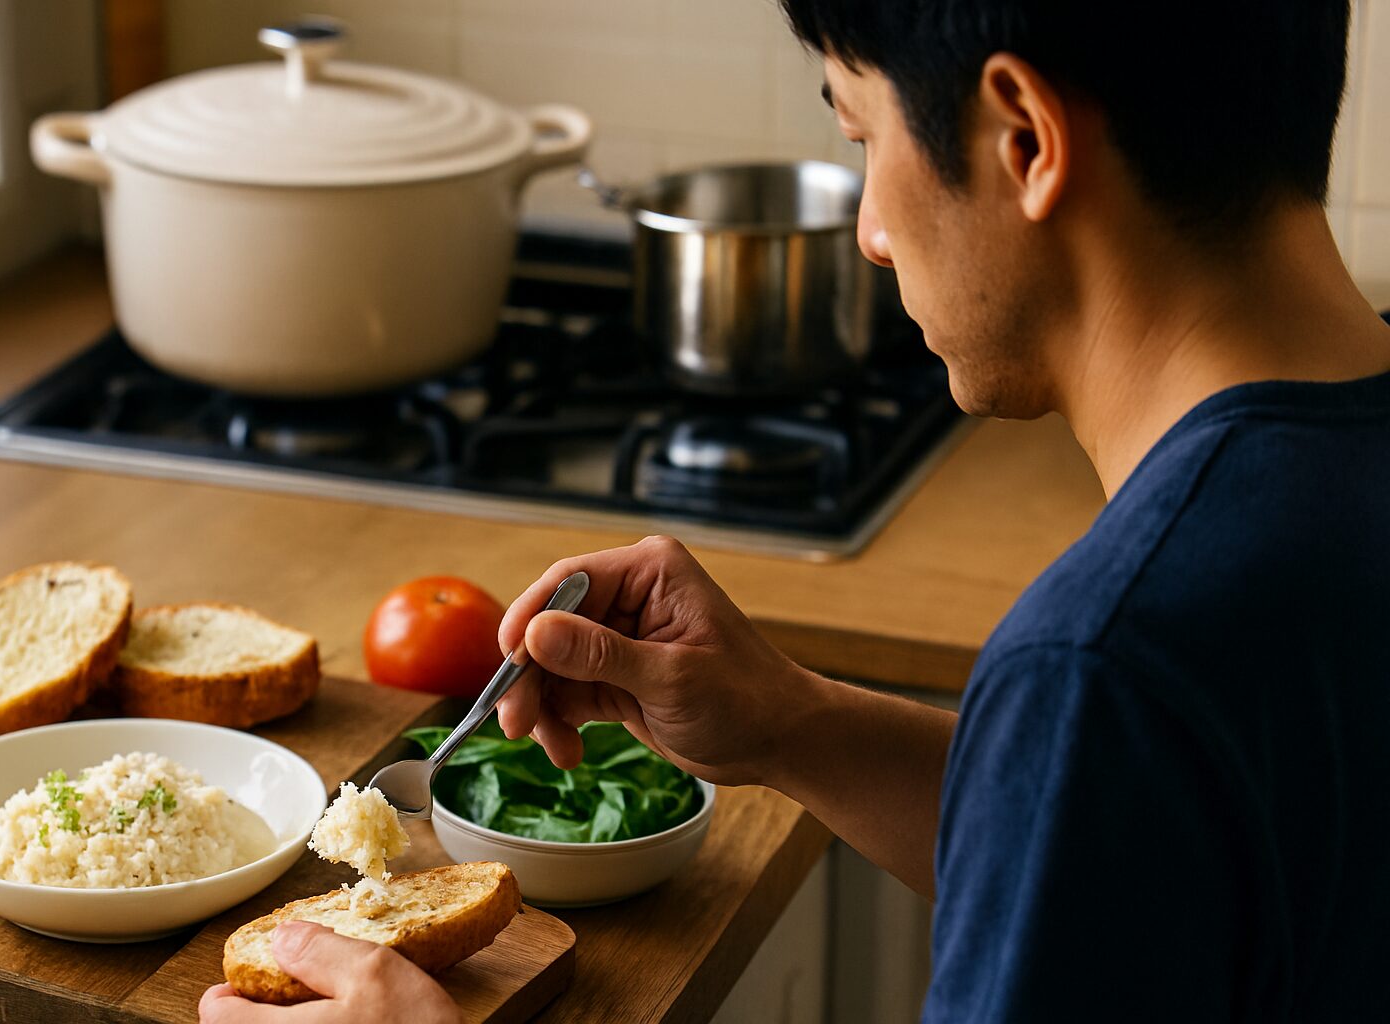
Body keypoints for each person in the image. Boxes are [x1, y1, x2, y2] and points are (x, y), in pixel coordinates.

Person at [202, 1, 1390, 1020]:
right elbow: (1167, 849)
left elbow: (1118, 749)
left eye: (861, 131)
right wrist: (785, 722)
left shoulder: (1108, 662)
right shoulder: (1175, 659)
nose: (871, 234)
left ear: (1023, 136)